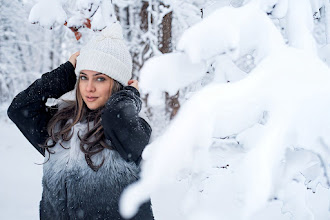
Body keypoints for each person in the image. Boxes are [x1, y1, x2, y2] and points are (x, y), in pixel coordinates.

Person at [7, 22, 154, 220]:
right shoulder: (60, 126)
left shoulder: (133, 129)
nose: (89, 87)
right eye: (84, 77)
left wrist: (131, 95)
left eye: (100, 79)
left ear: (117, 85)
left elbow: (114, 117)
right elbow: (20, 108)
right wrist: (66, 72)